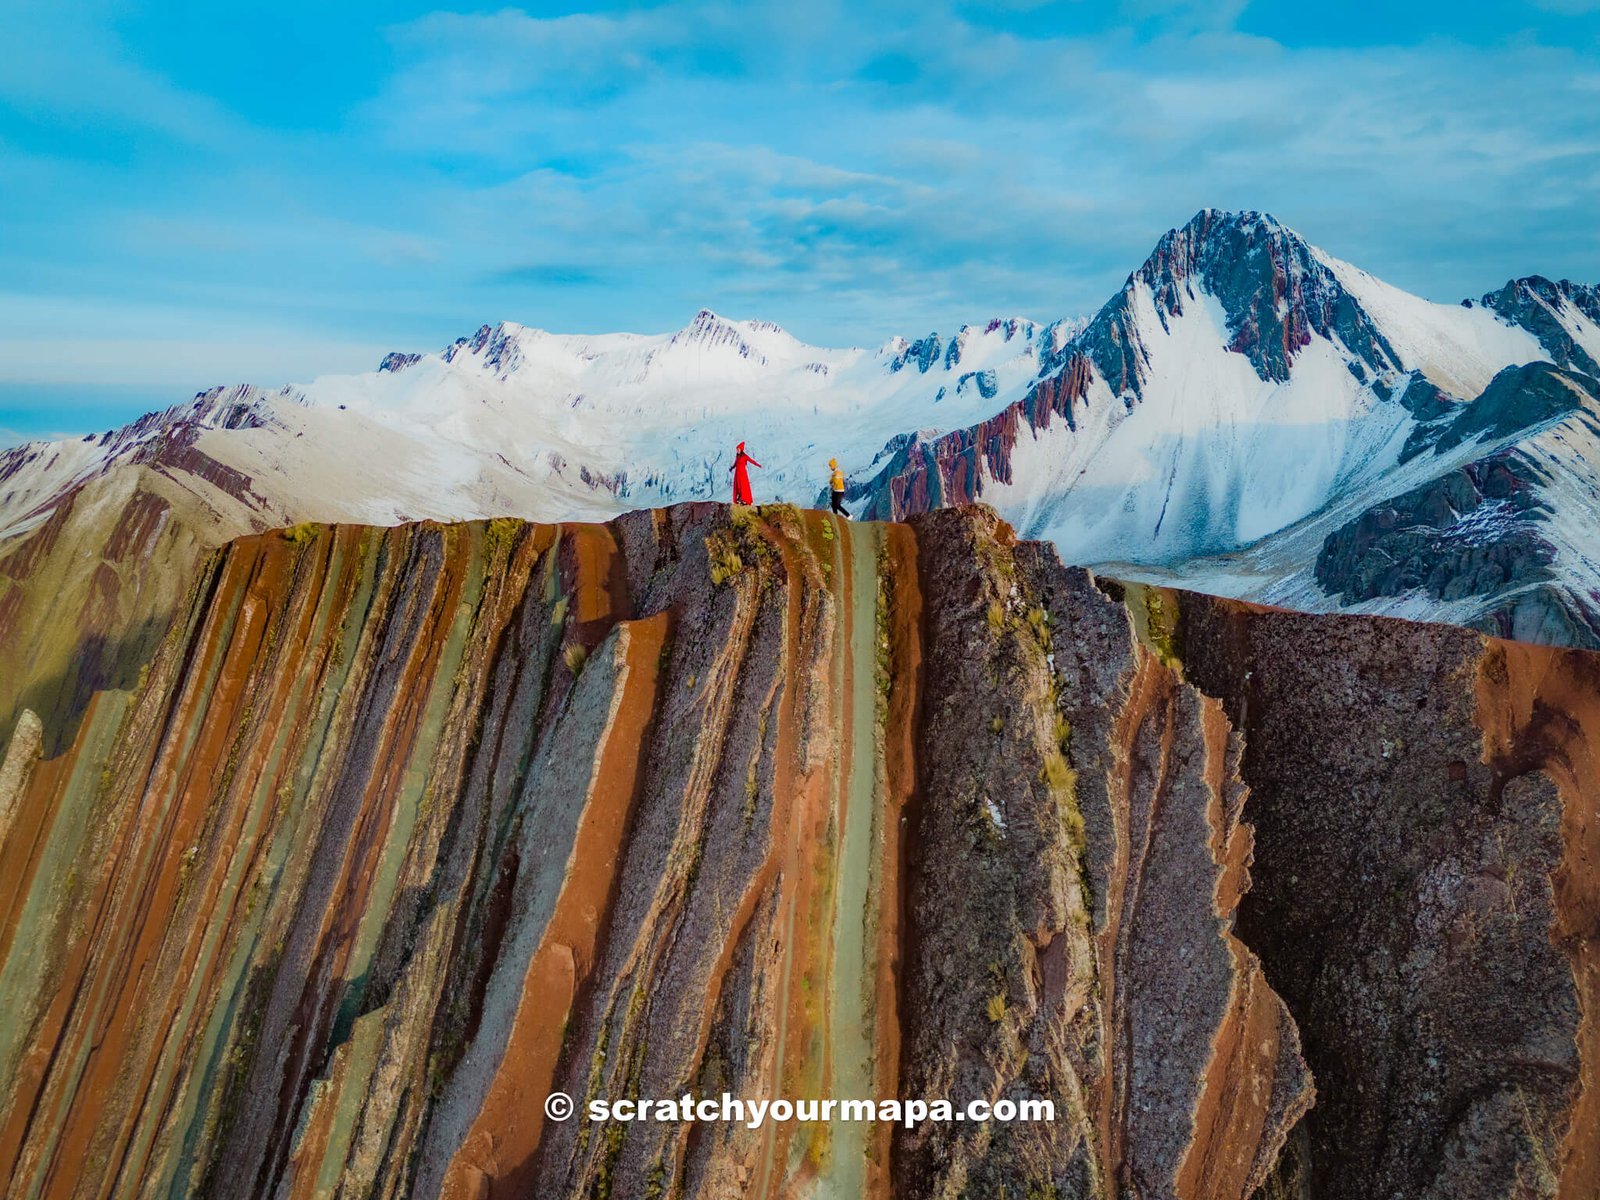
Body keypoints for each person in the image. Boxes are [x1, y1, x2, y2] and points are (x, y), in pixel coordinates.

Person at [731, 441, 761, 505]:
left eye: (738, 449)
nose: (737, 451)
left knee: (743, 486)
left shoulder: (745, 456)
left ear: (741, 449)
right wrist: (732, 468)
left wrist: (758, 465)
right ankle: (739, 498)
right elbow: (735, 463)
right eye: (737, 449)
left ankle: (745, 499)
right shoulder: (737, 456)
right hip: (737, 473)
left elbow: (751, 461)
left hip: (743, 473)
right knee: (738, 486)